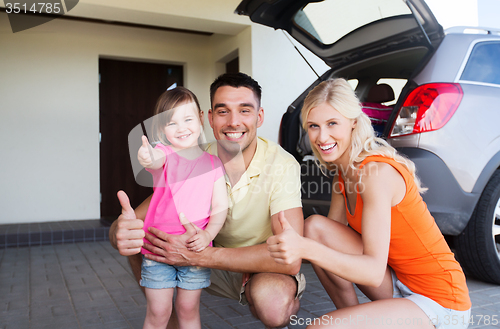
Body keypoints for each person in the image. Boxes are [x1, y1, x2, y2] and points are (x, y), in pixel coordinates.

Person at [267, 78, 471, 328]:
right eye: (313, 126)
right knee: (314, 229)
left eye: (332, 123)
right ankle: (351, 316)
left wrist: (304, 249)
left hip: (441, 299)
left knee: (319, 327)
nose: (322, 136)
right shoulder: (342, 176)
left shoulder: (376, 173)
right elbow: (328, 252)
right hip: (397, 284)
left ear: (353, 123)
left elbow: (373, 272)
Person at [110, 73, 306, 329]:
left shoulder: (282, 165)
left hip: (253, 263)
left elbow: (290, 259)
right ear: (210, 119)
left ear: (259, 117)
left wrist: (201, 256)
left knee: (274, 306)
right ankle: (166, 319)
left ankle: (283, 299)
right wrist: (119, 233)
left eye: (244, 110)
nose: (234, 122)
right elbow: (138, 218)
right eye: (223, 111)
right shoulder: (193, 156)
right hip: (201, 259)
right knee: (149, 239)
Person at [134, 86, 228, 329]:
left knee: (188, 309)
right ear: (161, 130)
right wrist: (146, 156)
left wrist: (208, 234)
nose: (181, 128)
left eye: (187, 119)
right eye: (171, 123)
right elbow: (154, 160)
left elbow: (220, 207)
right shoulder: (164, 154)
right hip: (158, 250)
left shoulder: (214, 164)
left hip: (196, 251)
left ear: (199, 119)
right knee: (159, 311)